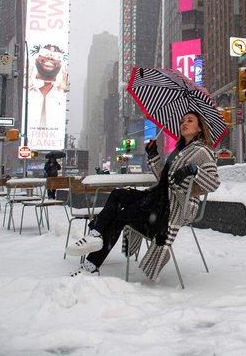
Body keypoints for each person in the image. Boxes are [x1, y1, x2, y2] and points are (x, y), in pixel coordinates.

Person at [67, 111, 220, 278]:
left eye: (190, 121)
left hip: (173, 206)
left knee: (120, 217)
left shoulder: (203, 151)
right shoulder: (179, 151)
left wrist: (193, 170)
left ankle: (91, 265)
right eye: (183, 120)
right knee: (118, 194)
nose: (184, 123)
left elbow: (213, 183)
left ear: (199, 128)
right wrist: (153, 154)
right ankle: (95, 235)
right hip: (157, 198)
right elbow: (164, 178)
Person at [26, 44, 68, 130]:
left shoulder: (61, 93)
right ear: (37, 58)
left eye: (57, 56)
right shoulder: (26, 89)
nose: (50, 58)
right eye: (45, 53)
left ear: (60, 64)